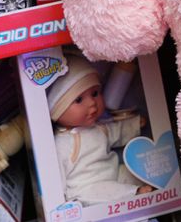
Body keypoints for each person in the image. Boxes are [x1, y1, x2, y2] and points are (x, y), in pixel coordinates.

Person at [48, 54, 154, 206]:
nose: (92, 102)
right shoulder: (62, 142)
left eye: (95, 93)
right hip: (85, 190)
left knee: (134, 172)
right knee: (106, 191)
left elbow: (116, 131)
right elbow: (57, 174)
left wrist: (135, 125)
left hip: (114, 175)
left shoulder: (99, 128)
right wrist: (60, 202)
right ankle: (135, 194)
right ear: (58, 110)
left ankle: (141, 191)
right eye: (79, 100)